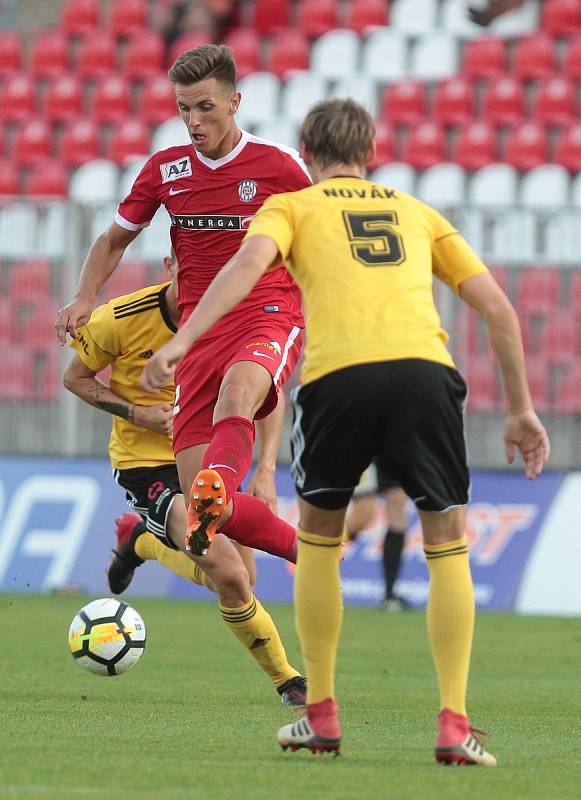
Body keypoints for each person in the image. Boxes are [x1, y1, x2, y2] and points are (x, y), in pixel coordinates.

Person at [140, 98, 550, 765]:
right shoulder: (417, 212)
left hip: (339, 379)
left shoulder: (293, 206)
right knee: (445, 545)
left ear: (305, 156)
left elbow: (243, 269)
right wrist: (520, 409)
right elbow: (498, 310)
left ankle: (322, 714)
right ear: (371, 152)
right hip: (424, 372)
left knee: (319, 543)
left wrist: (183, 340)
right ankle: (453, 724)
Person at [55, 43, 309, 577]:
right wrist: (84, 296)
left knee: (239, 391)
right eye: (184, 109)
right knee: (204, 515)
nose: (194, 122)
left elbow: (321, 238)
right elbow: (114, 240)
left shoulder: (279, 166)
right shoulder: (165, 170)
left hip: (266, 314)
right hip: (195, 337)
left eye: (206, 108)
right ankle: (144, 538)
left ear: (235, 101)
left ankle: (311, 556)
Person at [62, 251, 305, 708]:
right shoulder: (121, 318)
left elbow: (268, 395)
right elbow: (75, 378)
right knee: (230, 573)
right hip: (147, 465)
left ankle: (142, 542)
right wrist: (138, 414)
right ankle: (290, 681)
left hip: (211, 461)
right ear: (172, 266)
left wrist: (267, 471)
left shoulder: (238, 320)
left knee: (240, 580)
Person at [345, 462, 410, 611]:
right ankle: (320, 562)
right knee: (363, 515)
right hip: (368, 449)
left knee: (398, 502)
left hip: (393, 449)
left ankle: (389, 593)